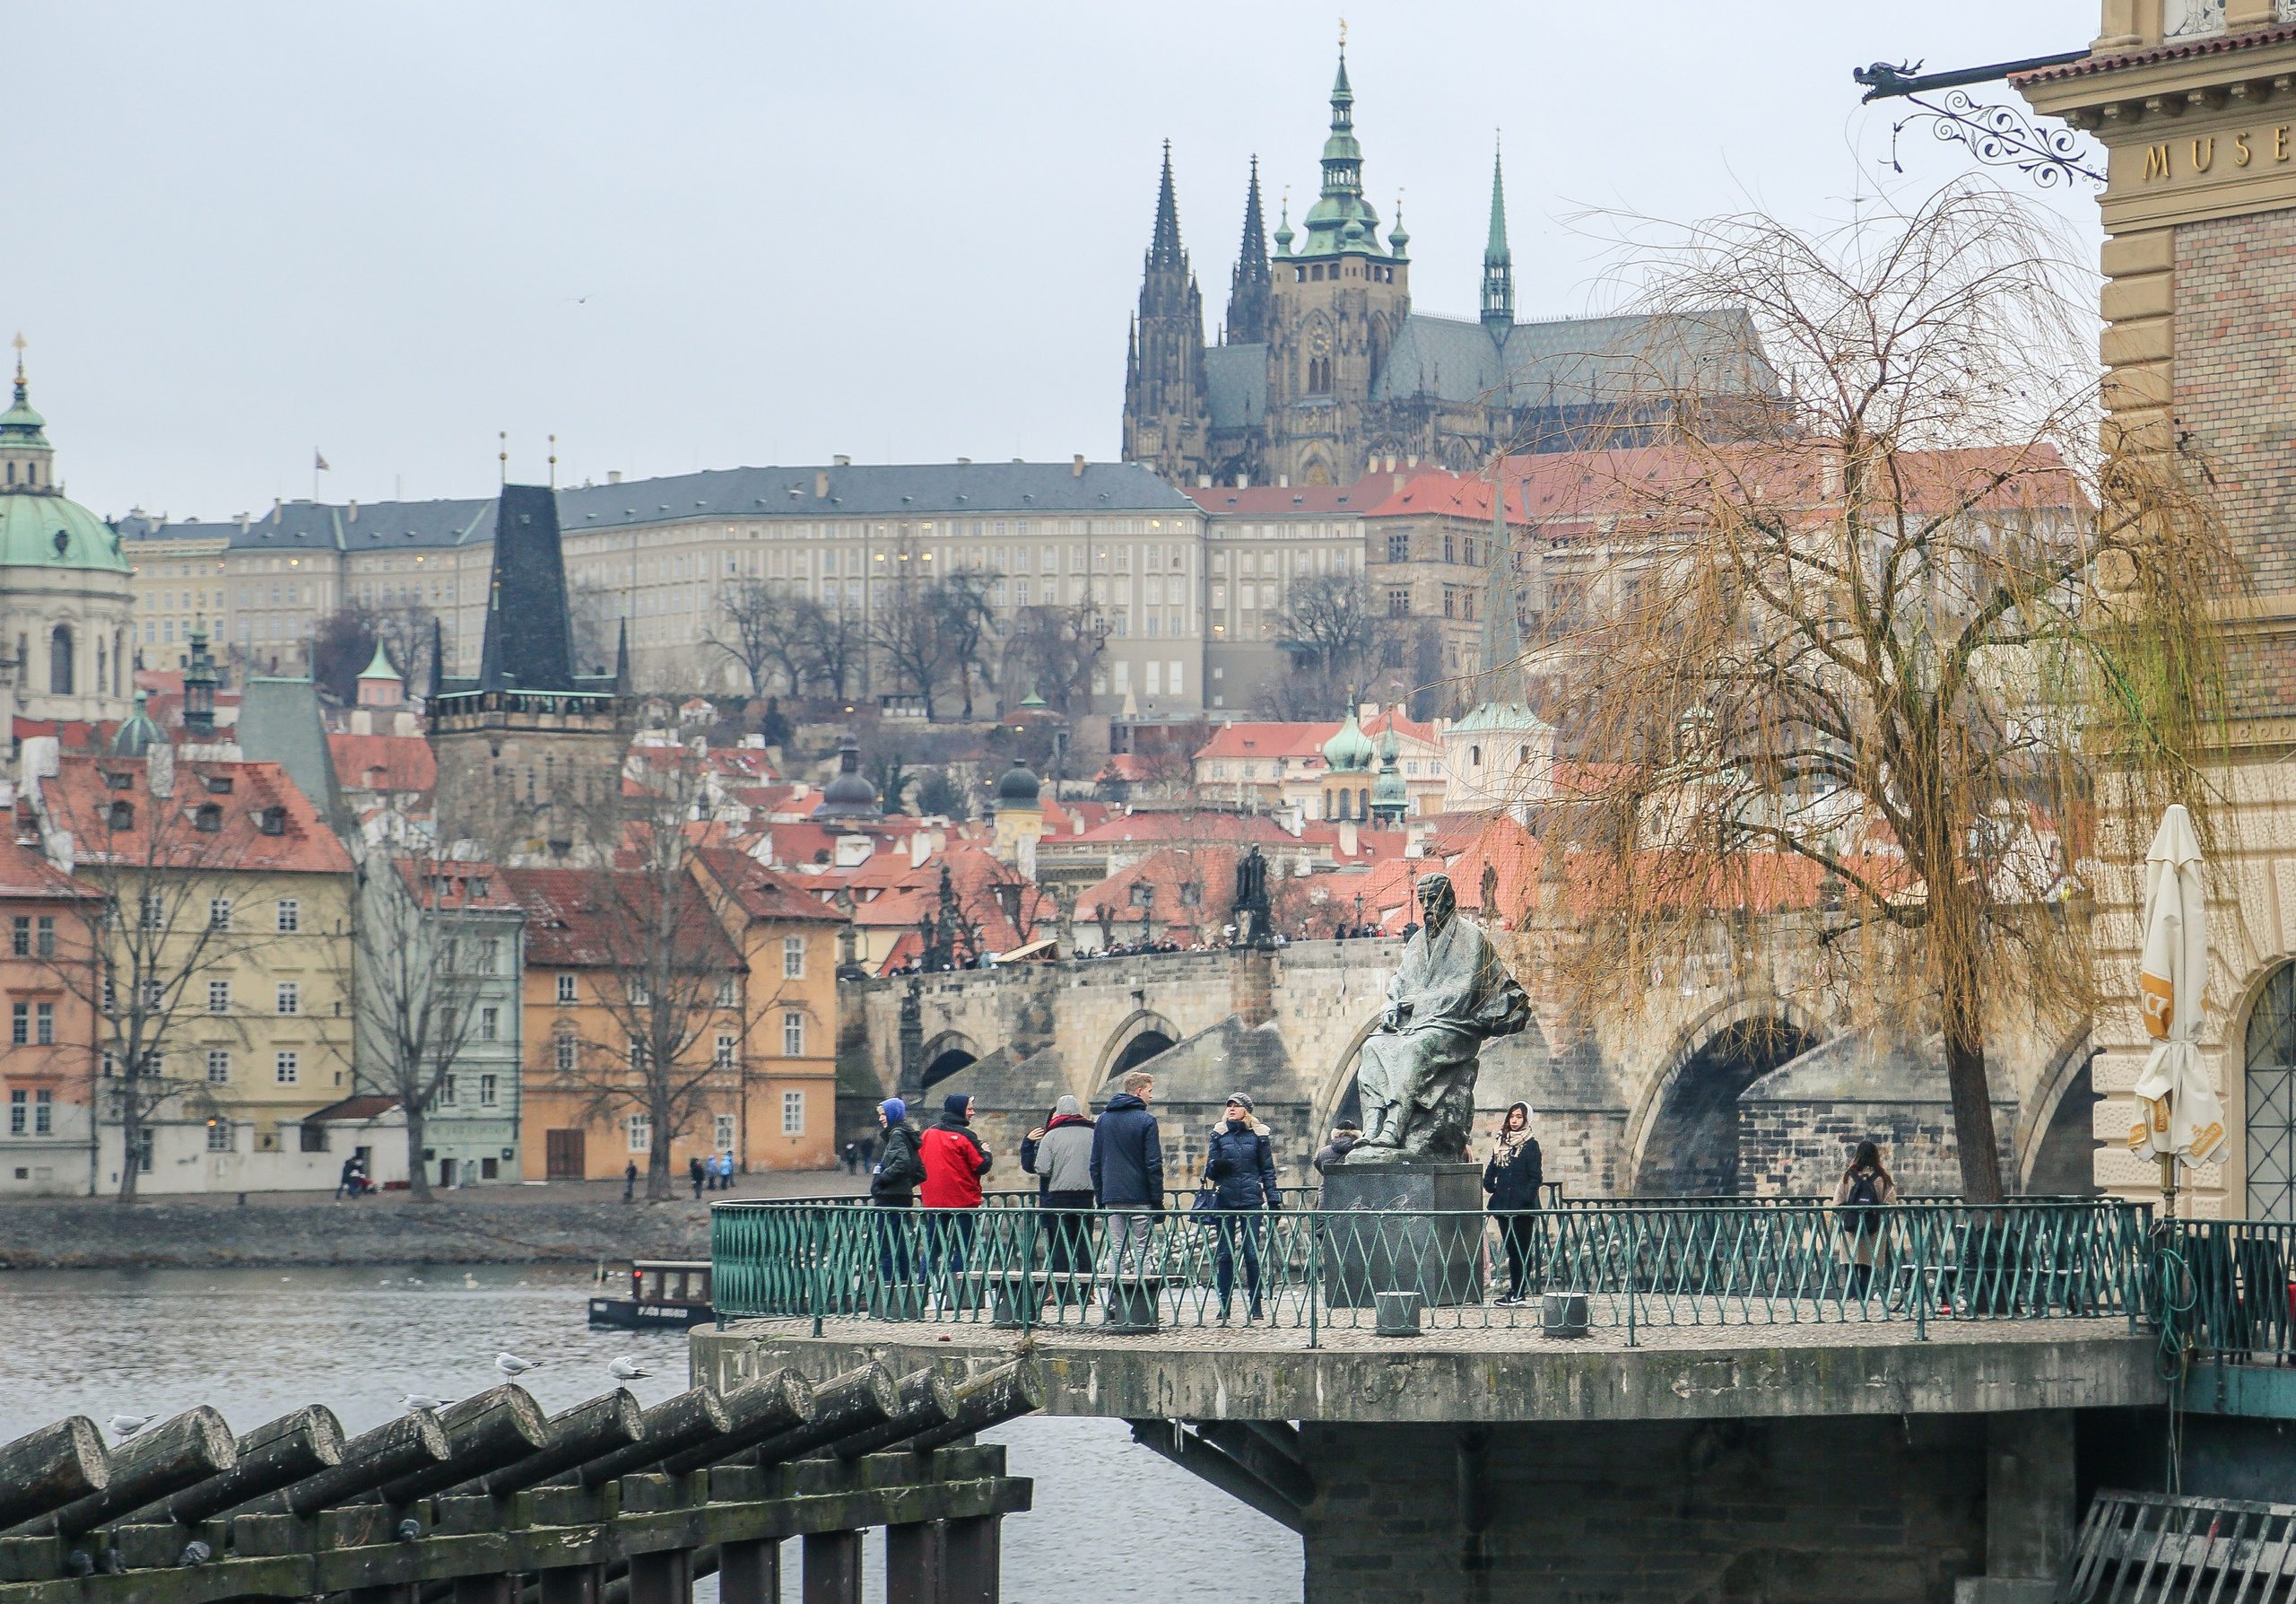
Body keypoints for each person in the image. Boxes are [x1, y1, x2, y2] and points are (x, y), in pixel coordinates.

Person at [1201, 1093, 1278, 1324]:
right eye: (1229, 1105)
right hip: (1224, 1198)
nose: (1232, 1109)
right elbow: (1209, 1171)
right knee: (1224, 1254)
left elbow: (1268, 1169)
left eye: (1237, 1106)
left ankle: (1256, 1303)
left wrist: (1273, 1198)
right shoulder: (1219, 1134)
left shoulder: (1258, 1136)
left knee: (1252, 1253)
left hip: (1251, 1198)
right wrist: (1216, 1166)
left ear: (1247, 1110)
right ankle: (1224, 1305)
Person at [1091, 1071, 1164, 1285]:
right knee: (1143, 1249)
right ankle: (1142, 1304)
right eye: (1150, 1091)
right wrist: (1157, 1200)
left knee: (1117, 1249)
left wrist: (1101, 1197)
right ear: (1139, 1091)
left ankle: (1115, 1304)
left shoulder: (1104, 1120)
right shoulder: (1146, 1121)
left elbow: (1095, 1163)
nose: (1151, 1096)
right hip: (1140, 1195)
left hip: (1112, 1195)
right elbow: (1153, 1164)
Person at [919, 1094, 993, 1303]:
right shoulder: (965, 1136)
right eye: (969, 1108)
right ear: (960, 1110)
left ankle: (921, 1292)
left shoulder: (927, 1133)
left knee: (932, 1247)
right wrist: (987, 1152)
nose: (973, 1112)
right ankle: (956, 1295)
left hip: (933, 1201)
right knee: (962, 1247)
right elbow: (981, 1165)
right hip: (962, 1200)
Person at [1024, 1095, 1097, 1294]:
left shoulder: (1051, 1135)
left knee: (1060, 1244)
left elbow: (1042, 1168)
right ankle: (1087, 1289)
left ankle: (1061, 1290)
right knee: (1084, 1242)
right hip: (1086, 1195)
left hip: (1059, 1196)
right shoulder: (1092, 1133)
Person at [1483, 1102, 1544, 1307]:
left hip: (1522, 1208)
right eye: (1512, 1116)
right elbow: (1494, 1166)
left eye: (1519, 1117)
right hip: (1503, 1205)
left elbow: (1536, 1177)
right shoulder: (1502, 1142)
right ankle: (1515, 1291)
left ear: (1526, 1120)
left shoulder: (1530, 1145)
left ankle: (1518, 1291)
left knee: (1521, 1249)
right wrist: (1489, 1184)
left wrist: (1525, 1198)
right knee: (1511, 1248)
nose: (1515, 1120)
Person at [1832, 1138, 1899, 1301]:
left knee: (1850, 1262)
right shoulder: (1882, 1178)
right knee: (1868, 1264)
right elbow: (1891, 1203)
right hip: (1873, 1229)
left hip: (1851, 1228)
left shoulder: (1847, 1177)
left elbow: (1837, 1203)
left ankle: (1851, 1296)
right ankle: (1863, 1296)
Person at [871, 1098, 927, 1286]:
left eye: (883, 1114)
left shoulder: (896, 1134)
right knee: (901, 1246)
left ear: (893, 1114)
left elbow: (902, 1163)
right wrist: (905, 1186)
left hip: (889, 1199)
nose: (880, 1118)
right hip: (903, 1198)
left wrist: (881, 1180)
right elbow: (920, 1171)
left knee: (886, 1247)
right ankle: (904, 1291)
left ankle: (887, 1293)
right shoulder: (907, 1134)